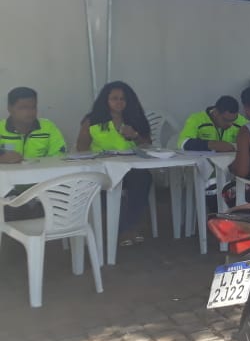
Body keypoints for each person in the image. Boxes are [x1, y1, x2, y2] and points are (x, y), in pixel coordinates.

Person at [76, 81, 153, 246]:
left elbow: (147, 145)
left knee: (143, 179)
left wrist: (134, 135)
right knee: (103, 187)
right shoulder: (93, 120)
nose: (119, 102)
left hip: (130, 168)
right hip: (102, 168)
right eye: (114, 98)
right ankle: (121, 229)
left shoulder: (136, 117)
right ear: (106, 100)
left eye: (123, 99)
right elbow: (81, 148)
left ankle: (132, 225)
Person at [0, 87, 66, 164]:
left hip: (42, 174)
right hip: (7, 175)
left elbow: (60, 157)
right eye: (23, 107)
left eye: (33, 107)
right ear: (10, 108)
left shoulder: (48, 127)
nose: (30, 112)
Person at [178, 96, 247, 152]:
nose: (230, 124)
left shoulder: (242, 122)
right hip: (204, 165)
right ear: (216, 113)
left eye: (233, 120)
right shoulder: (196, 119)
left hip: (233, 165)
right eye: (226, 120)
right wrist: (211, 144)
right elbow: (183, 143)